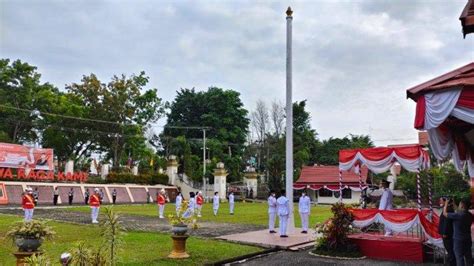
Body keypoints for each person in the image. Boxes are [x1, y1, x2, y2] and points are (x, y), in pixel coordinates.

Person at [443, 198, 472, 266]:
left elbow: (445, 214)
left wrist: (446, 204)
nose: (458, 205)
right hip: (467, 238)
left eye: (459, 204)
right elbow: (458, 210)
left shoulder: (458, 215)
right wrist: (454, 204)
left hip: (458, 240)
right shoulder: (469, 215)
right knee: (468, 257)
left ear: (462, 206)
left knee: (459, 257)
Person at [438, 197, 456, 266]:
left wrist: (445, 232)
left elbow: (447, 222)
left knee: (450, 249)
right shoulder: (447, 208)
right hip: (448, 233)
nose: (439, 201)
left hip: (447, 234)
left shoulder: (448, 209)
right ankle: (451, 262)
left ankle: (452, 263)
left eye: (441, 200)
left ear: (445, 201)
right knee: (449, 249)